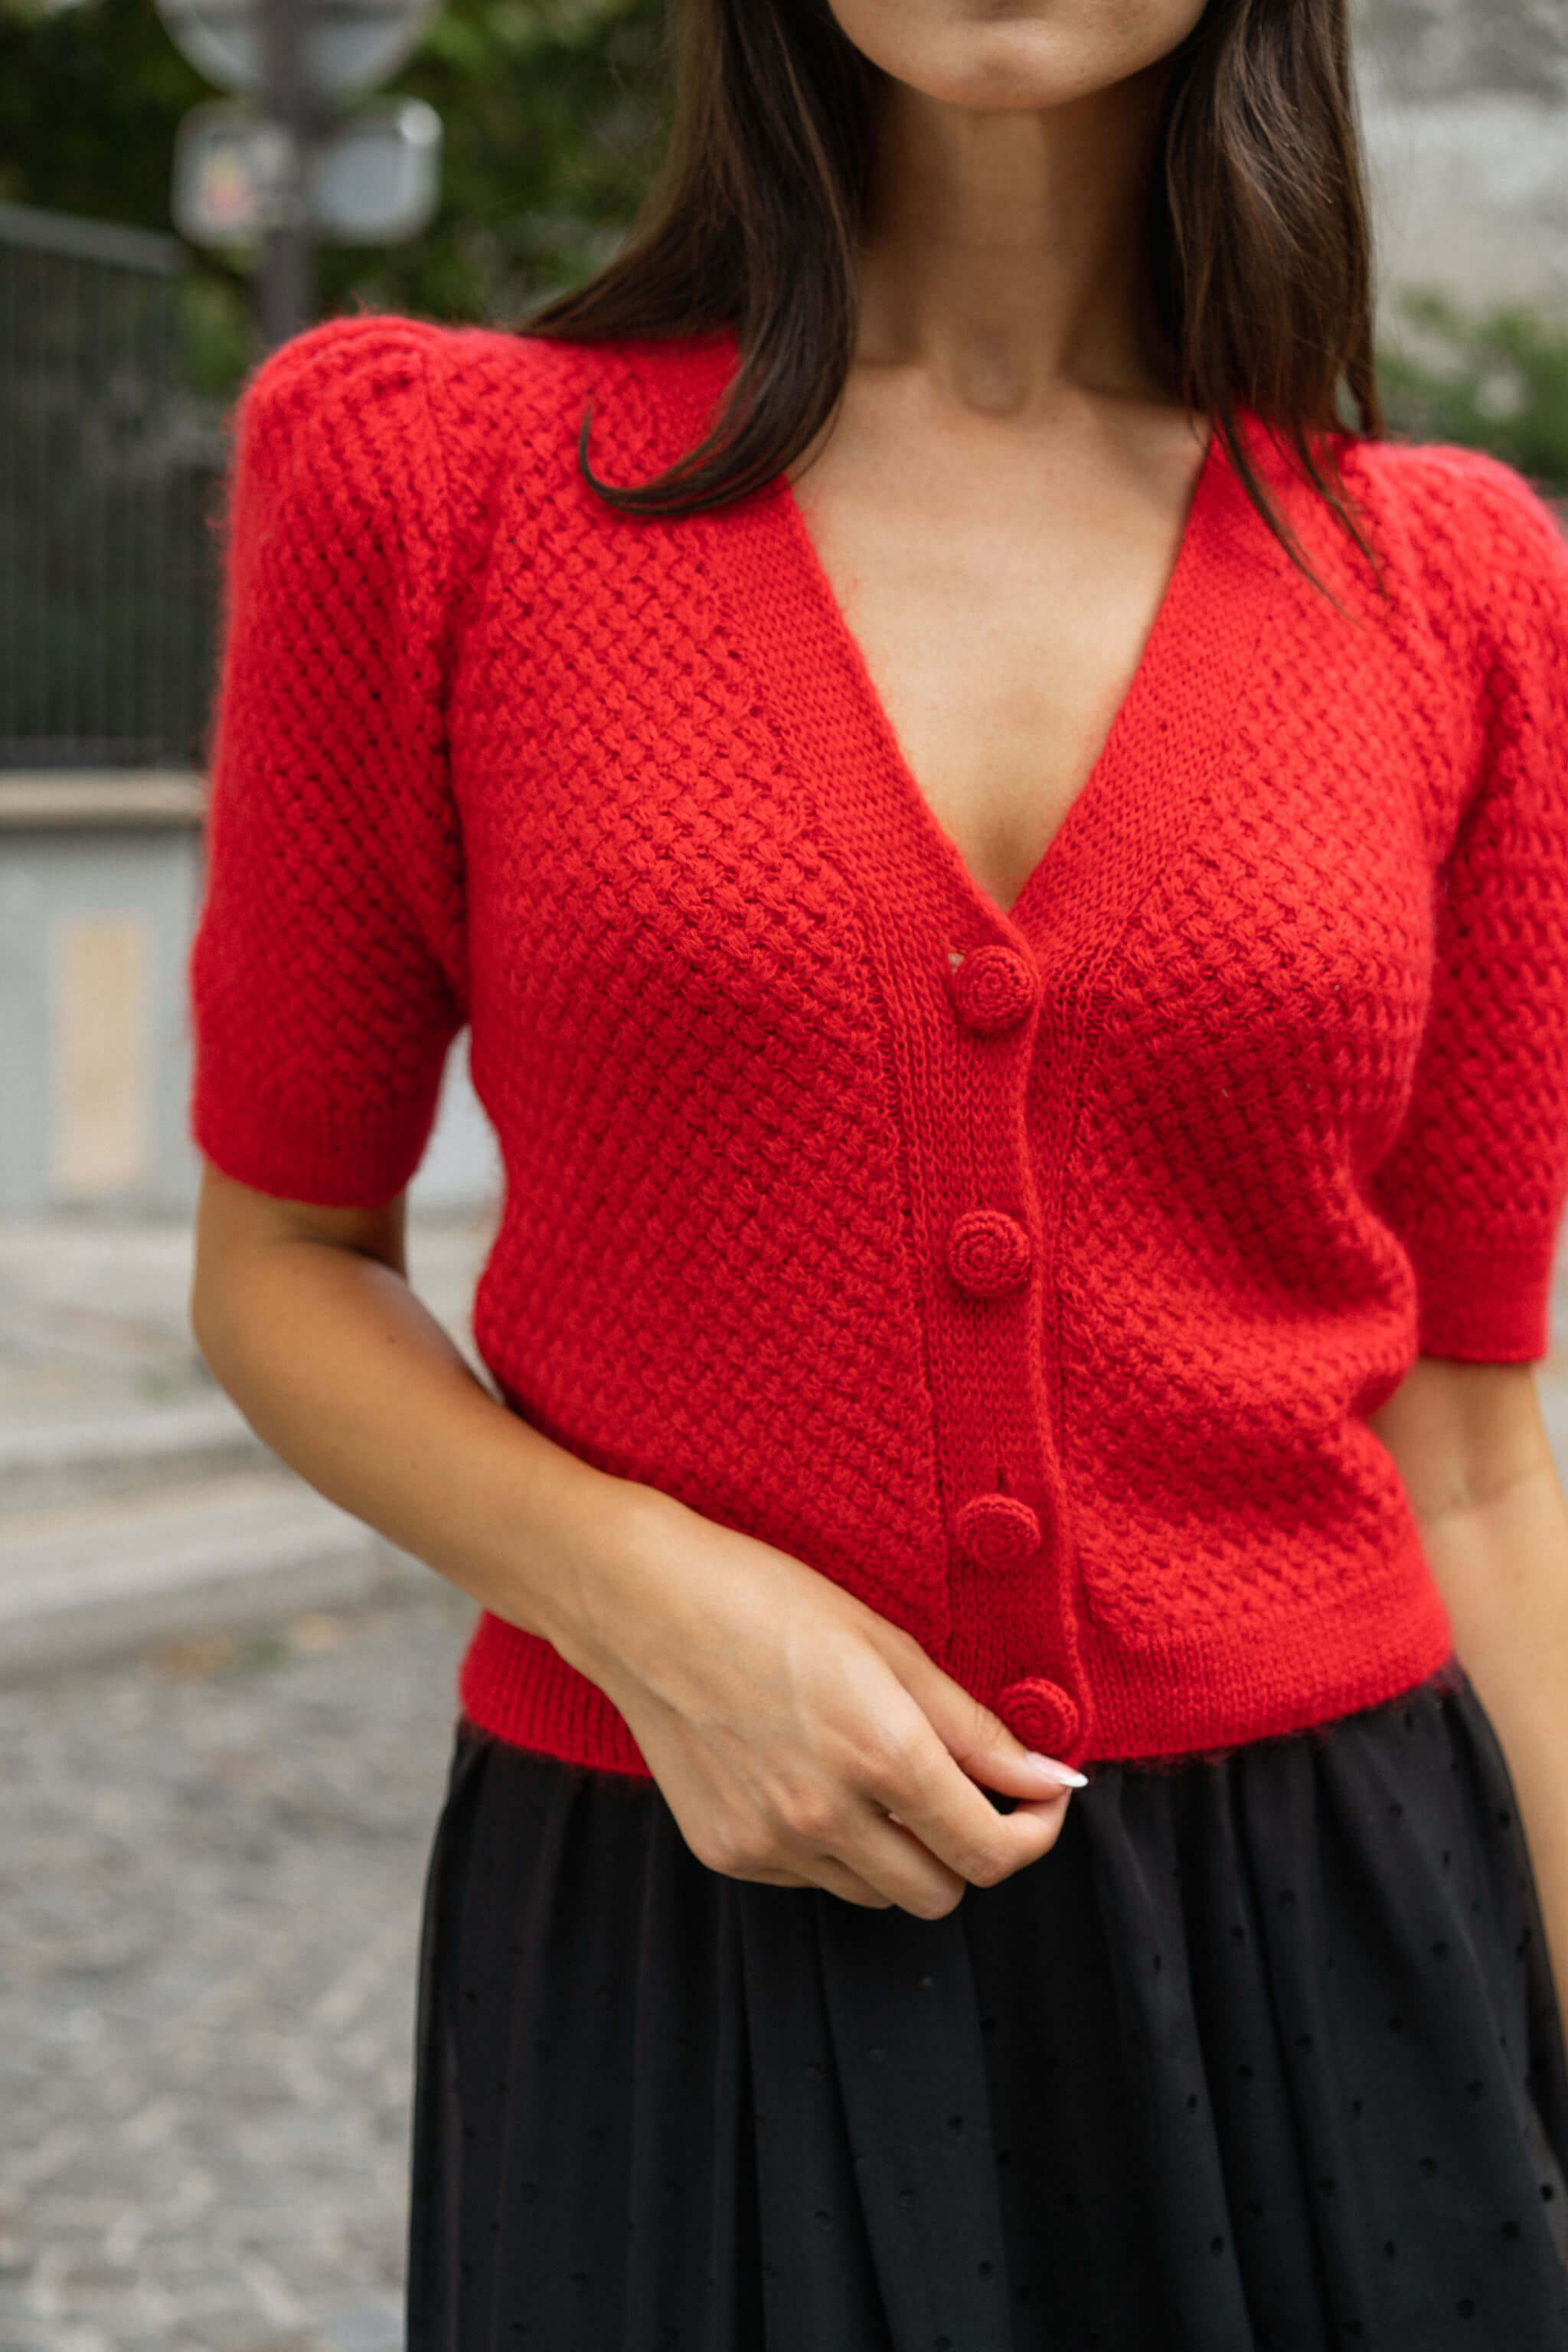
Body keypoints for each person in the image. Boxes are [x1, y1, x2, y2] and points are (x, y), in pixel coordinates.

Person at [185, 0, 1568, 2343]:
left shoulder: (1455, 587)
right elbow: (282, 1264)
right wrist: (649, 1607)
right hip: (682, 1923)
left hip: (1340, 1947)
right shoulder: (433, 488)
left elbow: (1473, 1455)